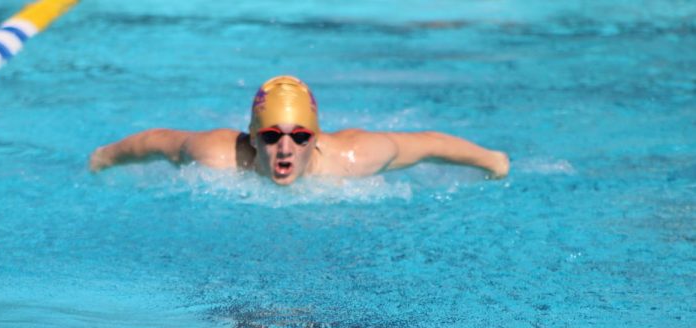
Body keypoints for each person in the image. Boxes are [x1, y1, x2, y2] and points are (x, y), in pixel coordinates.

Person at [89, 75, 509, 185]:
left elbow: (430, 144)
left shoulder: (353, 157)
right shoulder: (217, 156)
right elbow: (156, 141)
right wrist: (104, 158)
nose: (285, 147)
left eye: (300, 136)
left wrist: (493, 162)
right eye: (271, 136)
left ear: (317, 139)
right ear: (253, 139)